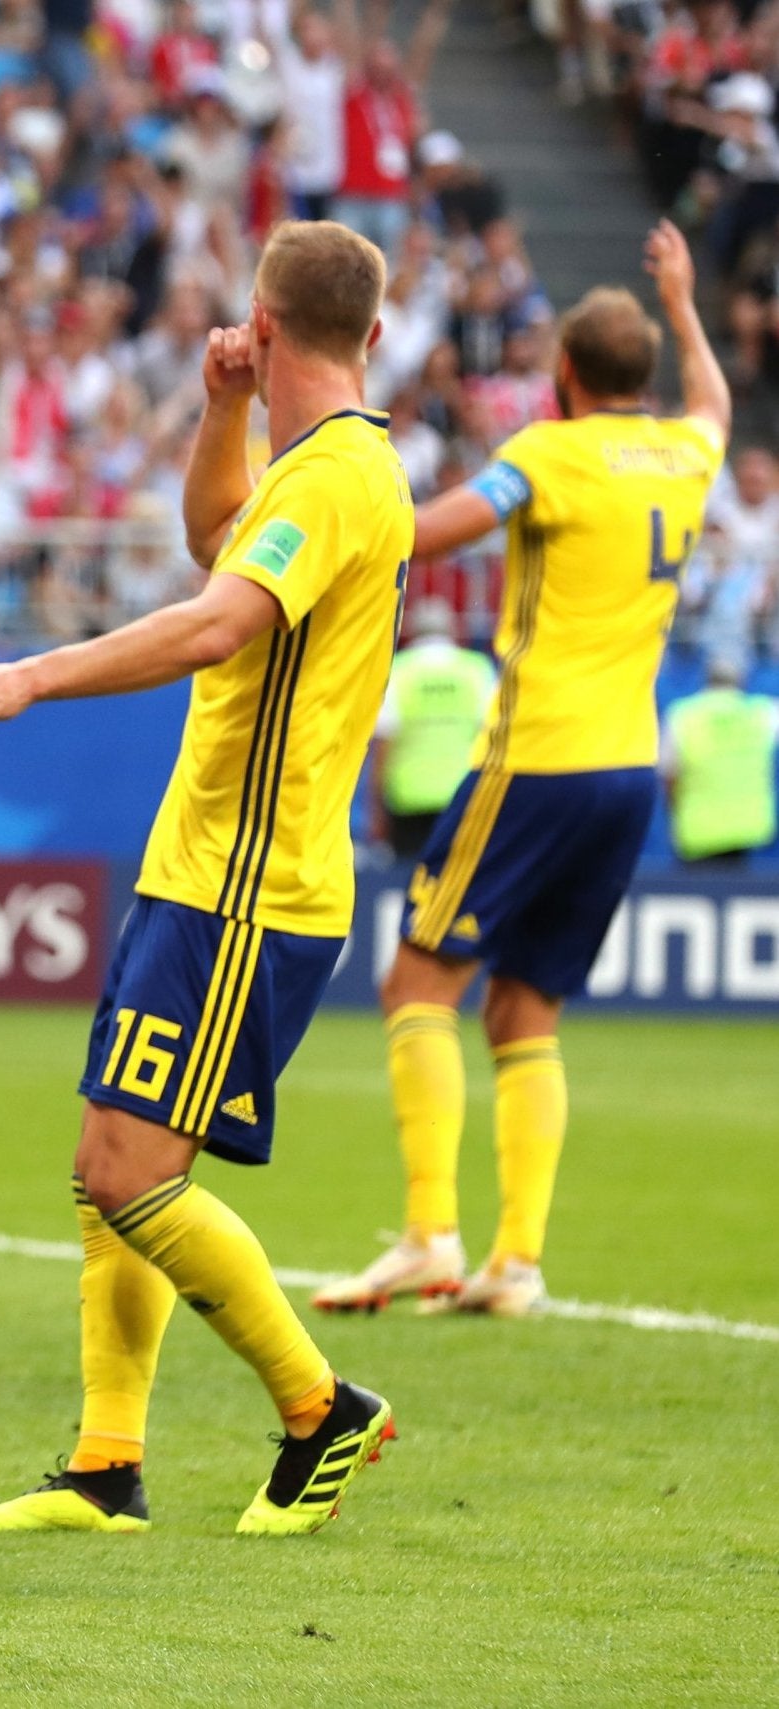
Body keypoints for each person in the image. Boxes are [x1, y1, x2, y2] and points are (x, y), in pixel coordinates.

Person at [0, 220, 409, 1538]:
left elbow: (214, 622)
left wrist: (27, 674)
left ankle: (320, 1408)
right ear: (371, 330)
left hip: (249, 884)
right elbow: (212, 543)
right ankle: (105, 1465)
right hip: (201, 868)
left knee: (130, 1171)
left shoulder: (337, 478)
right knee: (103, 1164)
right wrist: (223, 408)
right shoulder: (314, 465)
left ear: (262, 314)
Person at [315, 222, 729, 1320]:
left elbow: (431, 531)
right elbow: (716, 405)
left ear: (564, 376)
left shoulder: (548, 454)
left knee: (416, 981)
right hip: (627, 768)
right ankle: (516, 1261)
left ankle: (428, 1234)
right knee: (523, 1009)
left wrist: (336, 507)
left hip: (537, 755)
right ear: (641, 375)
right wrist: (683, 304)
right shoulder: (687, 455)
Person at [370, 600, 497, 860]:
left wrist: (377, 811)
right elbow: (494, 738)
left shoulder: (398, 671)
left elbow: (383, 747)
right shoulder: (477, 669)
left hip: (408, 799)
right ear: (453, 631)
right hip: (462, 795)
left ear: (412, 633)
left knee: (409, 877)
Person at [662, 654, 779, 866]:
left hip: (698, 828)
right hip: (749, 828)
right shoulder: (763, 713)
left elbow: (669, 775)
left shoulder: (683, 715)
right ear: (741, 681)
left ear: (706, 680)